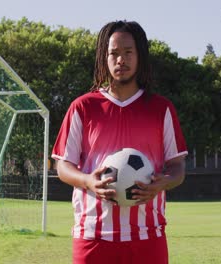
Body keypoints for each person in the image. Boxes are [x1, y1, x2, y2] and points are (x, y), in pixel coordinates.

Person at [51, 20, 187, 264]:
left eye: (128, 52)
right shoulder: (82, 107)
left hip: (147, 236)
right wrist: (87, 181)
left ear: (140, 57)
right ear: (104, 57)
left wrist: (162, 183)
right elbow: (63, 166)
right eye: (113, 53)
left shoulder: (161, 109)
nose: (120, 60)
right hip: (93, 235)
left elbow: (177, 168)